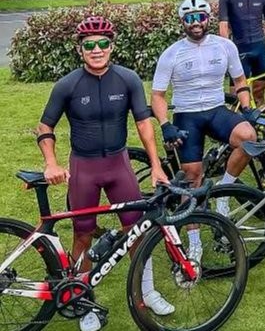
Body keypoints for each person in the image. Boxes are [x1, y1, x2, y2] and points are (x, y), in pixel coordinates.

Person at [37, 16, 173, 331]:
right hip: (84, 168)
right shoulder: (68, 85)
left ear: (111, 46)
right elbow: (45, 126)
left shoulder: (127, 79)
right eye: (89, 45)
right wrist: (51, 163)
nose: (96, 50)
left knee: (136, 229)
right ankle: (83, 303)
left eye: (102, 44)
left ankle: (147, 291)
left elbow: (142, 124)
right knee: (83, 233)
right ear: (79, 49)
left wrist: (155, 164)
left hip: (119, 165)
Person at [151, 0, 257, 248]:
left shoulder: (225, 46)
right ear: (182, 22)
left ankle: (224, 190)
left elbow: (240, 81)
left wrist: (247, 107)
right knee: (192, 180)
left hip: (216, 110)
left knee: (248, 137)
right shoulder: (172, 53)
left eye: (200, 17)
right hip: (187, 115)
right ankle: (195, 244)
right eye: (190, 18)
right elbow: (157, 95)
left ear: (208, 18)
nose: (196, 23)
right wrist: (166, 124)